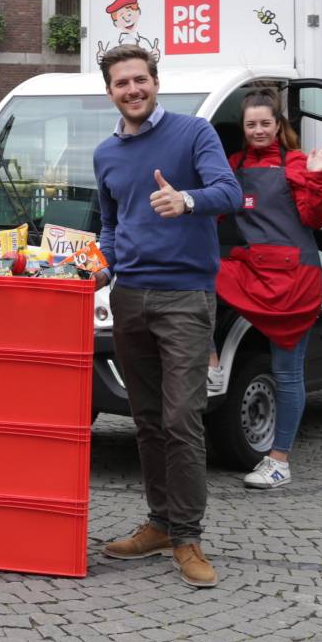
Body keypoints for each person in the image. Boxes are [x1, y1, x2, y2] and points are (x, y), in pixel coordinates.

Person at [92, 45, 241, 588]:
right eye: (121, 83)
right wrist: (100, 269)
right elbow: (111, 224)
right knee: (148, 420)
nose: (132, 89)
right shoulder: (106, 153)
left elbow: (230, 191)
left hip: (185, 296)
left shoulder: (193, 133)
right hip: (129, 296)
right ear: (109, 91)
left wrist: (188, 201)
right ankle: (158, 524)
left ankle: (187, 536)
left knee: (182, 418)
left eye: (140, 80)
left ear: (156, 82)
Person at [217, 91, 322, 490]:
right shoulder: (234, 166)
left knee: (287, 373)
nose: (258, 131)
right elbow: (216, 209)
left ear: (278, 124)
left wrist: (316, 178)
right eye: (251, 125)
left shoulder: (298, 164)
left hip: (294, 280)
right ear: (244, 129)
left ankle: (279, 460)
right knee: (196, 273)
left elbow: (315, 219)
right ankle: (211, 358)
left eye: (265, 123)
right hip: (253, 270)